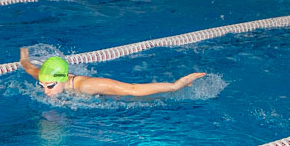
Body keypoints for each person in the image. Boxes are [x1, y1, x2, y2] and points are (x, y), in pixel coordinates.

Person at [20, 50, 206, 99]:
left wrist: (175, 85)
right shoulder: (47, 77)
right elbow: (29, 68)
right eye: (42, 86)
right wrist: (23, 55)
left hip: (112, 98)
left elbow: (132, 89)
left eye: (49, 86)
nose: (45, 91)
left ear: (62, 78)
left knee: (146, 99)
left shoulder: (88, 85)